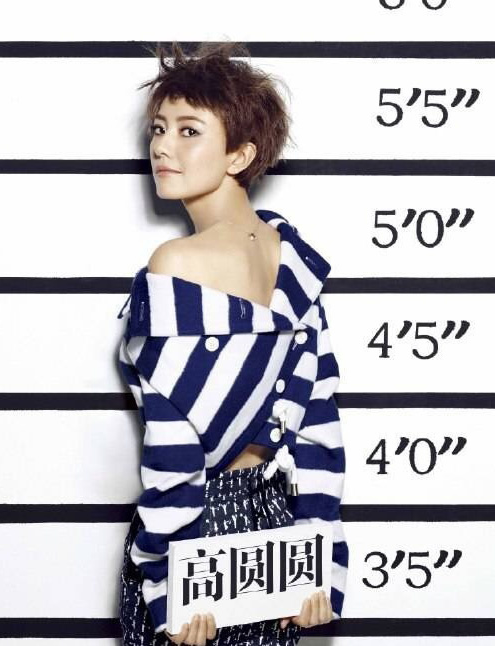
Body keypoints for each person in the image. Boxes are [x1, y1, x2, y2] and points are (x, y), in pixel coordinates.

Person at [116, 40, 348, 646]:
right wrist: (320, 568)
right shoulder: (294, 261)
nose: (162, 146)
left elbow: (173, 449)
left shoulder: (175, 262)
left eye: (189, 130)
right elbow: (319, 426)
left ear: (240, 153)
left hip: (192, 535)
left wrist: (168, 581)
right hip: (277, 532)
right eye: (159, 128)